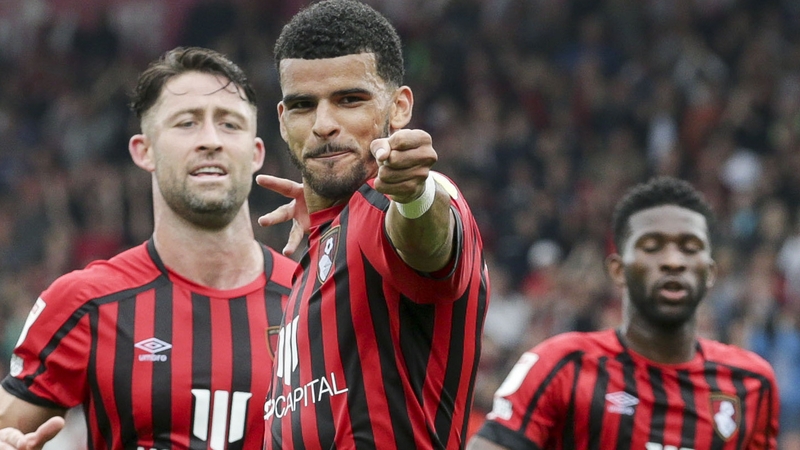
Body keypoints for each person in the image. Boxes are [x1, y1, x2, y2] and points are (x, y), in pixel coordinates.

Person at [0, 46, 295, 450]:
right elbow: (8, 431)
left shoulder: (314, 299)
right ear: (144, 150)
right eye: (186, 123)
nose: (210, 140)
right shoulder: (84, 302)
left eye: (229, 124)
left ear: (256, 151)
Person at [257, 1, 490, 448]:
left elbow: (424, 239)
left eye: (350, 99)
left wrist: (414, 193)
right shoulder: (317, 247)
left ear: (399, 107)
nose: (324, 124)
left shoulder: (390, 203)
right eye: (305, 106)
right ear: (284, 121)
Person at [467, 176, 780, 450]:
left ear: (710, 272)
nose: (673, 261)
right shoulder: (561, 366)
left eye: (690, 247)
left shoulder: (750, 383)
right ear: (618, 269)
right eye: (652, 246)